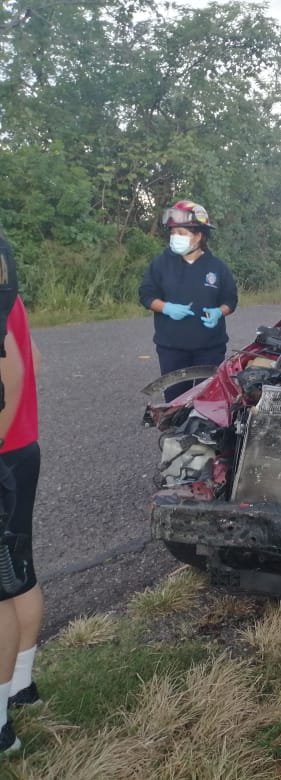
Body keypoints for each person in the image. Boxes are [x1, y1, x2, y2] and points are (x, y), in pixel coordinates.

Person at [0, 234, 41, 758]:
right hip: (19, 445)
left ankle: (2, 724)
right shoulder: (9, 291)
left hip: (6, 454)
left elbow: (10, 368)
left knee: (4, 585)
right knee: (17, 573)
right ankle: (21, 684)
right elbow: (30, 357)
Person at [138, 200, 238, 402]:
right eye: (173, 233)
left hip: (210, 348)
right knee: (176, 402)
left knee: (208, 400)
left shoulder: (217, 267)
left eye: (182, 234)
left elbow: (230, 299)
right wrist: (166, 308)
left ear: (199, 236)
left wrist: (220, 311)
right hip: (171, 348)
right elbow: (146, 295)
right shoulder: (161, 263)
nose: (175, 238)